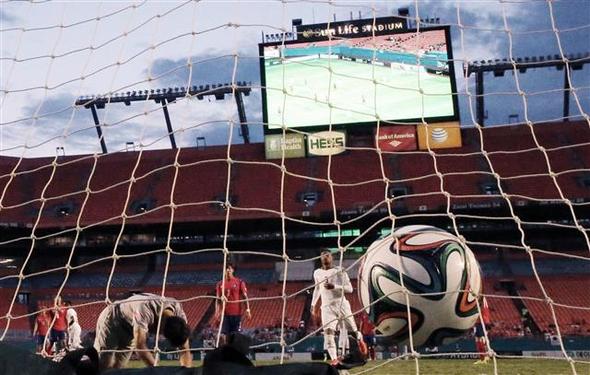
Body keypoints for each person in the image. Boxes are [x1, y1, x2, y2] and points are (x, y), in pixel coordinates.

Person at [94, 292, 192, 369]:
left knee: (119, 368)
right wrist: (157, 370)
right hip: (113, 319)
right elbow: (140, 346)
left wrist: (186, 372)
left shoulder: (179, 315)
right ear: (161, 327)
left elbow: (185, 349)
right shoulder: (145, 309)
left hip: (130, 330)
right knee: (104, 363)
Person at [311, 250, 367, 369]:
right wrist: (313, 304)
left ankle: (360, 338)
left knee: (352, 331)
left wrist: (334, 287)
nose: (325, 257)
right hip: (326, 307)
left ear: (332, 258)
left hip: (341, 305)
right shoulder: (317, 273)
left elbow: (350, 289)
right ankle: (335, 359)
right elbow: (317, 289)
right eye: (323, 256)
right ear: (320, 258)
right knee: (328, 333)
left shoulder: (339, 271)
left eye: (327, 255)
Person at [214, 263, 251, 346]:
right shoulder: (220, 284)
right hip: (225, 315)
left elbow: (245, 297)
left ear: (233, 270)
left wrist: (248, 309)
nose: (227, 270)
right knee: (223, 336)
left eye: (229, 268)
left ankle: (235, 354)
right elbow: (217, 300)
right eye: (226, 268)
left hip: (236, 315)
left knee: (235, 337)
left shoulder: (239, 282)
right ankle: (224, 353)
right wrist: (217, 312)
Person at [474, 296, 491, 365]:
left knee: (482, 339)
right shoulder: (480, 297)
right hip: (479, 321)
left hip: (482, 320)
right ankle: (482, 358)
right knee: (478, 339)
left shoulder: (480, 297)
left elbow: (480, 308)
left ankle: (485, 357)